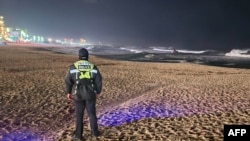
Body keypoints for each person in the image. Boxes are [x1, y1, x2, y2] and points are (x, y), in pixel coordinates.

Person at [65, 48, 102, 140]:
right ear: (88, 56)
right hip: (90, 94)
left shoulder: (73, 67)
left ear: (79, 56)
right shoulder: (93, 67)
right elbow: (98, 81)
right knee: (92, 113)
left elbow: (68, 81)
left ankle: (78, 135)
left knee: (79, 115)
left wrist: (68, 92)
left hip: (78, 94)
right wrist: (98, 91)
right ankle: (95, 132)